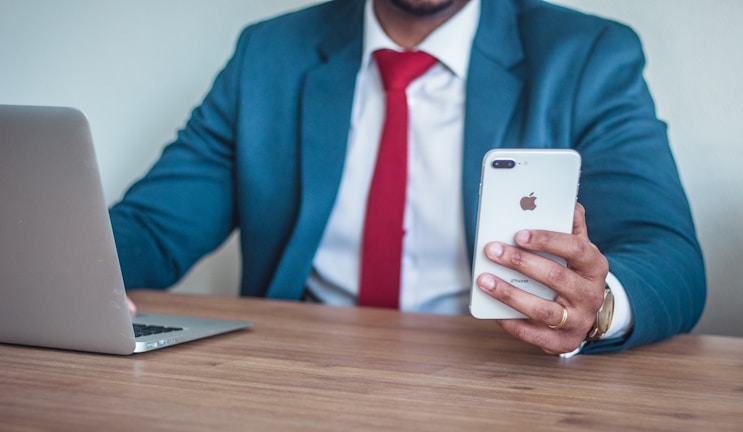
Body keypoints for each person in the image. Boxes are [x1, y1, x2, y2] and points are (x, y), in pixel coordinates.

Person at [111, 0, 706, 356]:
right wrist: (51, 267)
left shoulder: (588, 55)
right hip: (293, 374)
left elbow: (669, 256)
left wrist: (596, 306)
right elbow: (155, 227)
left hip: (499, 373)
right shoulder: (268, 53)